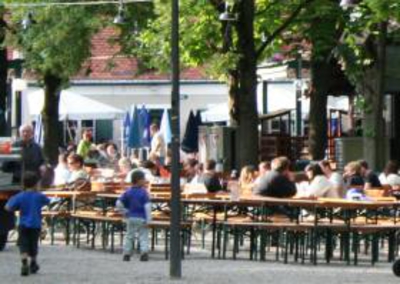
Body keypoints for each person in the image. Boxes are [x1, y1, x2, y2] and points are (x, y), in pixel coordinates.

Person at [5, 172, 50, 276]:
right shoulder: (39, 196)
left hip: (23, 224)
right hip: (36, 224)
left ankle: (24, 263)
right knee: (33, 244)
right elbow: (48, 201)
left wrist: (16, 208)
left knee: (23, 245)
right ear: (36, 184)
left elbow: (7, 207)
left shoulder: (20, 196)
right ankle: (33, 262)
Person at [116, 170, 151, 262]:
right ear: (139, 180)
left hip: (131, 217)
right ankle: (144, 252)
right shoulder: (144, 193)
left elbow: (118, 203)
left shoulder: (128, 191)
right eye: (143, 179)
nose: (145, 181)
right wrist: (149, 220)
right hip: (142, 217)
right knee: (143, 235)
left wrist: (124, 212)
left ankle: (126, 253)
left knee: (129, 236)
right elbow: (147, 206)